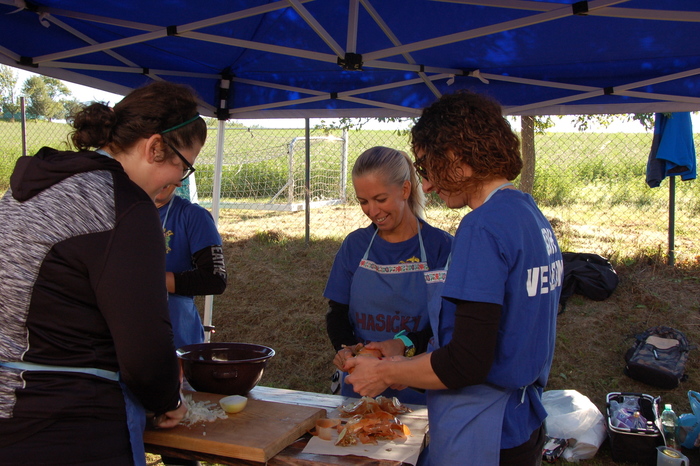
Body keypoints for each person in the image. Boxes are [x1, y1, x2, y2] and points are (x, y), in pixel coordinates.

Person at [345, 91, 563, 465]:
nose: (427, 185)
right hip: (522, 422)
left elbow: (467, 361)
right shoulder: (530, 217)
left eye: (428, 168)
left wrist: (383, 373)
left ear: (456, 159)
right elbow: (496, 331)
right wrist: (403, 350)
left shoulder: (481, 227)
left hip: (485, 431)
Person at [0, 80, 207, 466]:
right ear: (155, 147)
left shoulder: (27, 190)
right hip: (70, 428)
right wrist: (168, 399)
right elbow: (144, 348)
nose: (179, 181)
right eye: (183, 165)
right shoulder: (125, 207)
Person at [324, 146, 453, 405]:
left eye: (380, 199)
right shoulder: (355, 246)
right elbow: (337, 312)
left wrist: (405, 344)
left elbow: (449, 327)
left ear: (405, 190)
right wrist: (346, 348)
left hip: (421, 391)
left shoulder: (441, 247)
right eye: (363, 201)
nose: (372, 211)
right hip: (361, 389)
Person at [155, 183, 227, 350]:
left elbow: (215, 279)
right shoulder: (118, 214)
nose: (163, 180)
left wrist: (149, 280)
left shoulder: (192, 215)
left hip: (177, 336)